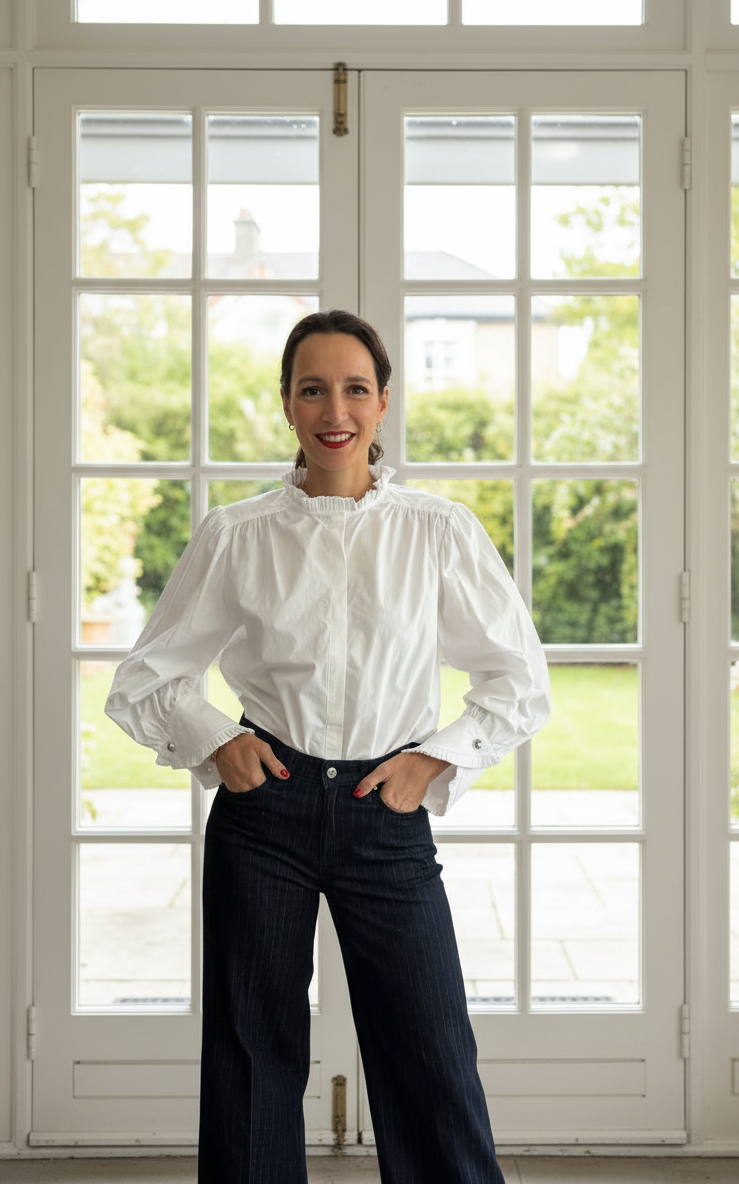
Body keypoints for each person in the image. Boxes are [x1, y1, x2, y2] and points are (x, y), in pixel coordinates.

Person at [105, 309, 550, 1183]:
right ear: (287, 403)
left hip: (385, 815)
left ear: (383, 402)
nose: (334, 410)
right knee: (251, 1055)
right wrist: (217, 741)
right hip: (264, 815)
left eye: (354, 389)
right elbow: (146, 678)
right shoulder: (237, 534)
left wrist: (433, 759)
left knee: (430, 1051)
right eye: (313, 389)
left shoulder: (438, 530)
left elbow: (519, 679)